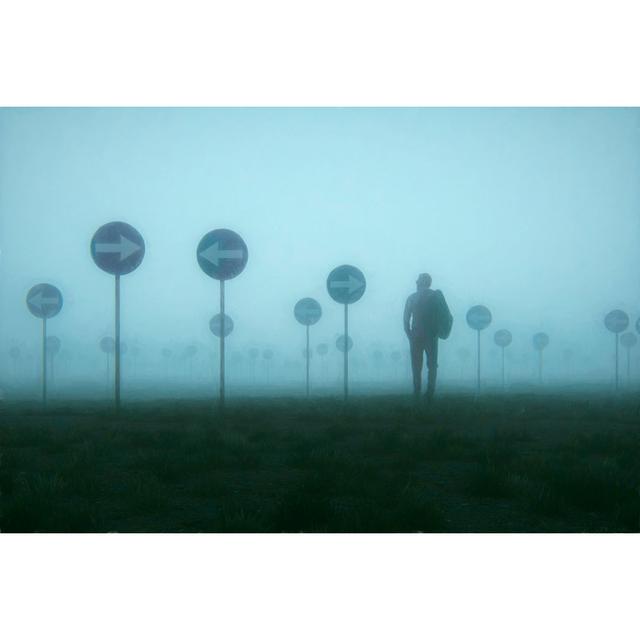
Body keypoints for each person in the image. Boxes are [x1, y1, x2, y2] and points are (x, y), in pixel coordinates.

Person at [403, 273, 451, 401]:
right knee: (432, 365)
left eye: (418, 281)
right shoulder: (435, 296)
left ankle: (417, 391)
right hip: (431, 335)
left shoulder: (412, 298)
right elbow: (445, 315)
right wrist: (441, 331)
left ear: (421, 282)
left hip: (417, 335)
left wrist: (410, 335)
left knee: (416, 365)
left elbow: (405, 320)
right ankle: (430, 392)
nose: (416, 282)